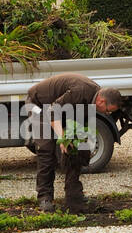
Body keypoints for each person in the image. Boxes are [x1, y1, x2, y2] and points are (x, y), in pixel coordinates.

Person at [25, 73, 123, 212]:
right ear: (101, 101)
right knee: (46, 149)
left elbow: (76, 121)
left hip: (59, 108)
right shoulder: (81, 91)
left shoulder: (93, 99)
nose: (107, 114)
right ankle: (44, 198)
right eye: (107, 111)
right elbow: (53, 111)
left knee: (77, 148)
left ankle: (74, 196)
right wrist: (63, 138)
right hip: (38, 105)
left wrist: (77, 142)